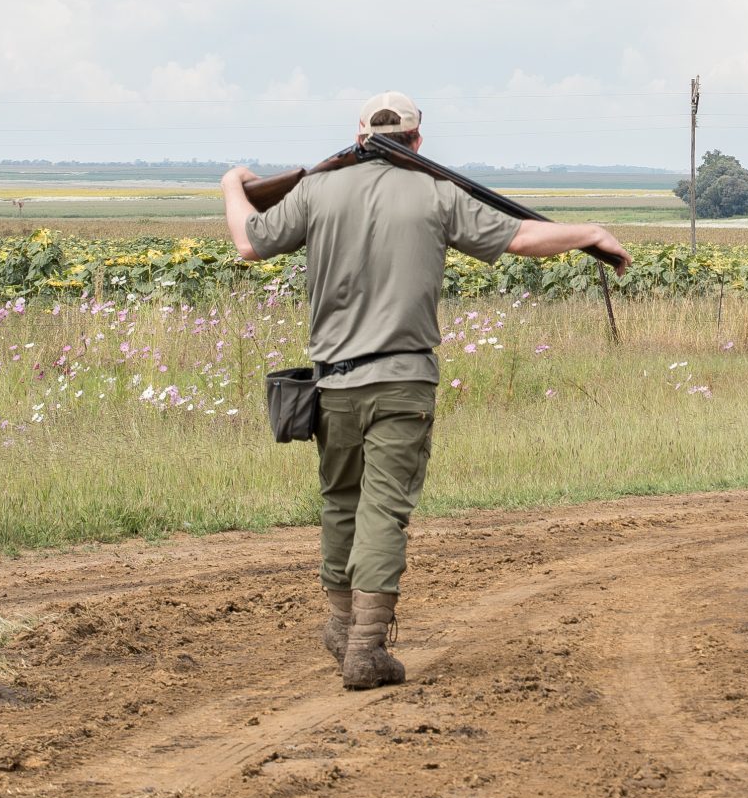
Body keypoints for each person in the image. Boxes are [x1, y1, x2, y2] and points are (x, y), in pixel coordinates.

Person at [220, 92, 629, 691]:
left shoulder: (314, 191)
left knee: (341, 502)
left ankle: (340, 623)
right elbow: (520, 238)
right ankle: (365, 646)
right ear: (417, 141)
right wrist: (591, 231)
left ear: (359, 135)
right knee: (384, 509)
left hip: (333, 383)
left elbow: (247, 243)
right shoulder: (438, 194)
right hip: (404, 382)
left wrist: (232, 184)